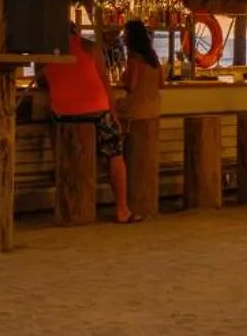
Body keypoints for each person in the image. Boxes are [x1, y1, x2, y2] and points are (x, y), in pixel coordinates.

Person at [42, 26, 135, 223]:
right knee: (115, 154)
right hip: (97, 110)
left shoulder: (44, 51)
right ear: (76, 32)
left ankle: (68, 203)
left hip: (63, 115)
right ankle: (122, 209)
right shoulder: (89, 47)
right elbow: (104, 83)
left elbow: (45, 81)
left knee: (58, 138)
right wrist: (114, 115)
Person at [121, 18, 162, 126]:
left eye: (125, 34)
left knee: (108, 108)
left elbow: (131, 86)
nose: (123, 37)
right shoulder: (154, 58)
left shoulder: (133, 59)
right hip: (155, 109)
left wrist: (123, 78)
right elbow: (161, 84)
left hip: (138, 109)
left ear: (131, 37)